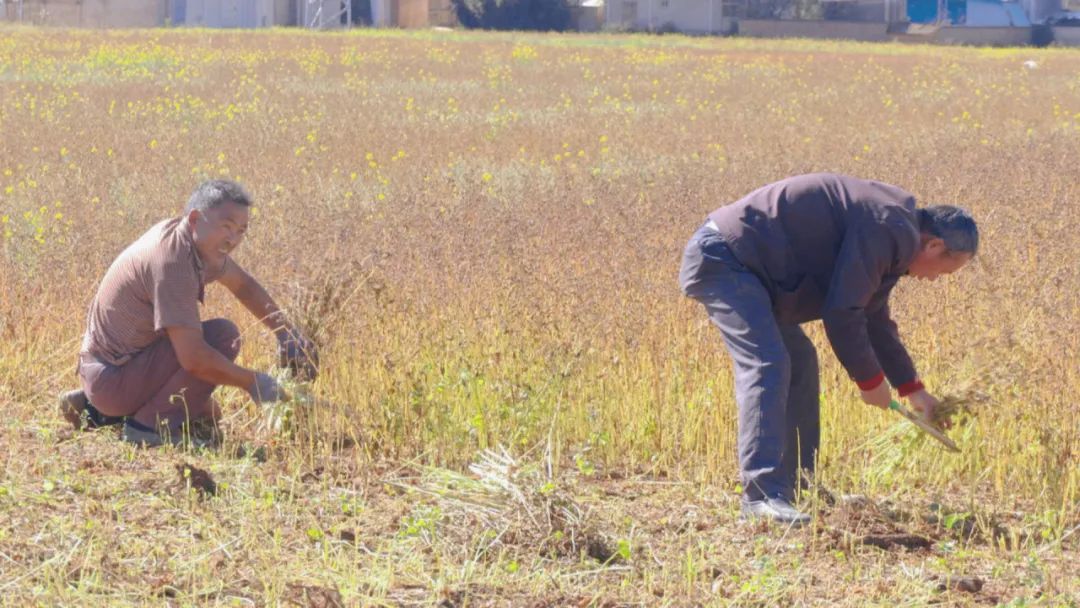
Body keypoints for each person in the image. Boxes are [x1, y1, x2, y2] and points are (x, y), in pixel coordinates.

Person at [678, 173, 978, 525]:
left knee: (800, 361)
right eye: (943, 271)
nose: (933, 280)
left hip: (754, 275)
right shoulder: (889, 225)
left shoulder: (894, 231)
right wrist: (869, 381)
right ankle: (761, 498)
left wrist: (913, 389)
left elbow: (873, 317)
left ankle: (799, 486)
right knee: (768, 363)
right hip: (726, 260)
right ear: (933, 246)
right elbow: (842, 312)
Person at [59, 179, 319, 447]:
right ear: (195, 219)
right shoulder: (172, 263)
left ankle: (97, 412)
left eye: (241, 231)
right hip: (112, 376)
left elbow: (244, 286)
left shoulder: (192, 243)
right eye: (226, 227)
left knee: (206, 408)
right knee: (223, 338)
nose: (233, 239)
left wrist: (286, 334)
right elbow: (194, 358)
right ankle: (147, 427)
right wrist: (256, 383)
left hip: (112, 369)